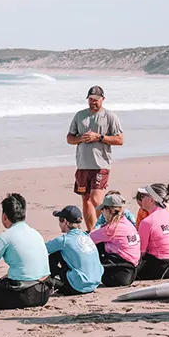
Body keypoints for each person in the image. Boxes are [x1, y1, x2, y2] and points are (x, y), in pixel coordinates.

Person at [67, 85, 124, 232]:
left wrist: (99, 137)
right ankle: (92, 232)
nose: (93, 102)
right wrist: (81, 138)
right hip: (82, 165)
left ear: (103, 99)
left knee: (96, 199)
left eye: (96, 100)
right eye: (90, 99)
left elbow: (119, 140)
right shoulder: (80, 116)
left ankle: (108, 228)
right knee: (86, 200)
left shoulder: (110, 116)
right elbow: (69, 138)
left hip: (101, 164)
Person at [0, 193, 52, 310]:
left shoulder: (4, 238)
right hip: (44, 291)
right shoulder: (36, 233)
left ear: (4, 216)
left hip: (24, 294)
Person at [46, 205, 104, 295]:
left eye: (60, 220)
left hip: (79, 286)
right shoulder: (86, 236)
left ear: (65, 221)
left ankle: (50, 281)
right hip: (95, 283)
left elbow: (41, 250)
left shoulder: (64, 240)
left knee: (56, 253)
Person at [136, 184, 169, 280]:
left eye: (143, 196)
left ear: (152, 200)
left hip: (164, 267)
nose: (141, 199)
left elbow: (141, 252)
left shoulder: (147, 222)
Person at [89, 194, 141, 286]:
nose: (102, 212)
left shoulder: (111, 229)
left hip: (116, 275)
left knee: (92, 246)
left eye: (103, 209)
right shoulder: (127, 224)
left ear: (108, 210)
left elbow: (88, 239)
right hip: (132, 272)